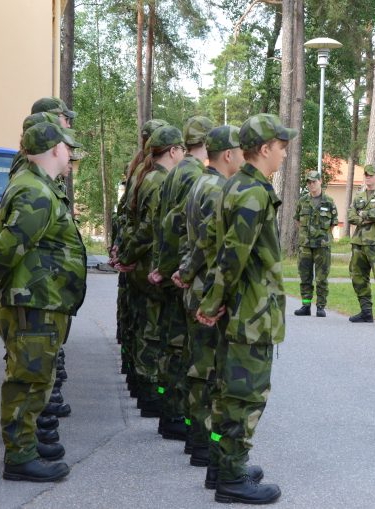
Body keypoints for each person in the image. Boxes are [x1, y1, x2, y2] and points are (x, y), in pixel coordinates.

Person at [0, 121, 86, 482]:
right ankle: (19, 457)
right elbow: (10, 244)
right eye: (68, 148)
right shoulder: (35, 191)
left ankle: (27, 443)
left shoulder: (38, 187)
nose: (71, 154)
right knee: (27, 380)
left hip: (41, 300)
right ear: (53, 149)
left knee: (36, 378)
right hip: (34, 302)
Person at [196, 113, 296, 505]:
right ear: (266, 149)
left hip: (237, 309)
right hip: (250, 313)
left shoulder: (235, 184)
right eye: (282, 147)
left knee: (226, 392)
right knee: (244, 396)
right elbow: (232, 255)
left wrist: (213, 301)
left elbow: (214, 245)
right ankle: (232, 477)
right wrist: (213, 301)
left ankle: (222, 464)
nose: (285, 154)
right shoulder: (253, 192)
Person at [177, 125, 246, 473]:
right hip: (207, 290)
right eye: (240, 150)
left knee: (199, 367)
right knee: (211, 373)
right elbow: (209, 242)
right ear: (228, 155)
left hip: (197, 286)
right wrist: (192, 274)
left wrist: (185, 272)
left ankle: (198, 440)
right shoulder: (217, 188)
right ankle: (206, 444)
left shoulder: (200, 183)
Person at [149, 115, 214, 442]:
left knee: (172, 345)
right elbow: (180, 226)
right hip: (181, 273)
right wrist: (177, 269)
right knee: (183, 350)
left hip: (172, 267)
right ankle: (180, 417)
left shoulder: (177, 172)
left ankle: (173, 413)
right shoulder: (194, 175)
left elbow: (165, 222)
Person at [116, 125, 185, 417]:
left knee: (145, 327)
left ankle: (145, 388)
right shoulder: (158, 181)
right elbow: (149, 228)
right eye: (182, 149)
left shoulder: (147, 175)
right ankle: (150, 394)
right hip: (150, 265)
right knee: (153, 333)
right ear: (172, 151)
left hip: (143, 263)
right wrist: (129, 255)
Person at [347, 164, 375, 327]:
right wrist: (365, 218)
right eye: (366, 174)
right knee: (358, 278)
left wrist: (363, 214)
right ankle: (366, 312)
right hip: (358, 243)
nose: (368, 177)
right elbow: (351, 216)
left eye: (371, 175)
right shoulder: (358, 196)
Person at [292, 170, 339, 317]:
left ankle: (320, 306)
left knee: (321, 277)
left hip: (322, 246)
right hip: (305, 245)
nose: (311, 184)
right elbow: (298, 220)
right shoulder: (302, 201)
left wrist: (322, 235)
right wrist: (306, 235)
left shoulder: (329, 202)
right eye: (309, 182)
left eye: (314, 182)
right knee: (305, 276)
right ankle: (306, 306)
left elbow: (333, 223)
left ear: (320, 181)